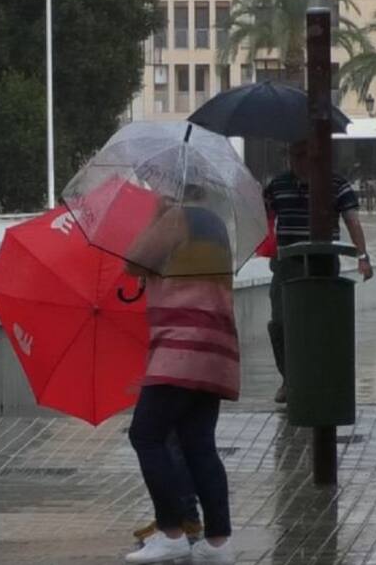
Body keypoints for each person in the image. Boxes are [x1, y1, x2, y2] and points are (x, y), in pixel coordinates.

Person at [121, 187, 238, 565]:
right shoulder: (216, 223)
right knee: (198, 442)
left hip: (180, 347)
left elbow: (134, 262)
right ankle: (219, 542)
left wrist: (157, 214)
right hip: (216, 348)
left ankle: (171, 531)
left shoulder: (175, 219)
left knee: (146, 434)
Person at [265, 141, 374, 405]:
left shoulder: (336, 185)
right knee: (279, 323)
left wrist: (362, 256)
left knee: (321, 325)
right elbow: (265, 220)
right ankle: (289, 378)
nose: (296, 160)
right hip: (287, 263)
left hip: (323, 261)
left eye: (302, 154)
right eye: (292, 154)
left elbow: (352, 222)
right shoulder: (277, 186)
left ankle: (318, 378)